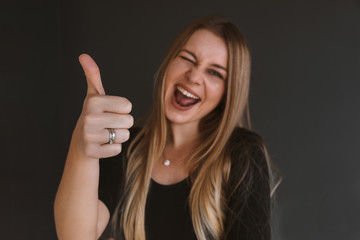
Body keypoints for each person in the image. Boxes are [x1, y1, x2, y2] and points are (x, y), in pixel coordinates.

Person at [54, 15, 276, 240]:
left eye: (215, 72)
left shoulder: (242, 152)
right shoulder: (126, 146)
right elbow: (75, 237)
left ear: (227, 93)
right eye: (188, 58)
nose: (194, 76)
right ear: (169, 62)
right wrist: (82, 149)